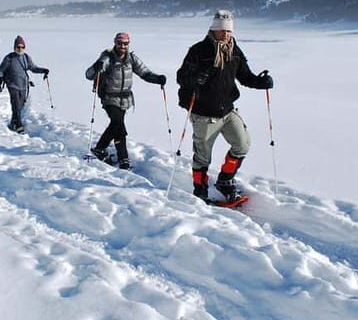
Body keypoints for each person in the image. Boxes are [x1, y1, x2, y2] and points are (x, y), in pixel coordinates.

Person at [176, 10, 273, 203]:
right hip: (204, 113)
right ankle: (200, 190)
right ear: (213, 29)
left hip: (227, 110)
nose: (226, 34)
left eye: (229, 31)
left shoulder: (234, 50)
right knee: (202, 157)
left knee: (242, 144)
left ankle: (225, 180)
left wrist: (260, 82)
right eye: (222, 30)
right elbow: (181, 77)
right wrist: (195, 79)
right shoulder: (199, 50)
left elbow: (245, 76)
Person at [85, 32, 166, 170]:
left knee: (115, 126)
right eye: (120, 43)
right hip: (109, 98)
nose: (123, 46)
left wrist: (158, 79)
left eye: (125, 43)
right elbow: (89, 75)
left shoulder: (131, 58)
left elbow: (144, 73)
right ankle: (124, 160)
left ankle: (99, 149)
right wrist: (96, 67)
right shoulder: (107, 58)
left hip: (125, 100)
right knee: (118, 125)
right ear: (115, 43)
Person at [0, 35, 49, 133]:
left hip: (23, 85)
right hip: (12, 85)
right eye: (18, 47)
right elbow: (1, 70)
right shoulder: (9, 58)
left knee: (20, 105)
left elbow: (33, 68)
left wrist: (43, 70)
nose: (20, 49)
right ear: (14, 47)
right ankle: (19, 126)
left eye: (22, 47)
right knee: (15, 104)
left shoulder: (26, 57)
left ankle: (13, 123)